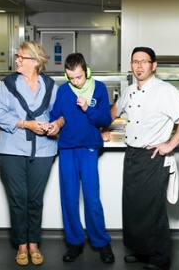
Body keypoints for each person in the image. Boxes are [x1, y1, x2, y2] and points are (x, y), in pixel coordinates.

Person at [104, 47, 179, 270]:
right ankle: (143, 250)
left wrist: (170, 144)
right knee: (134, 207)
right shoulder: (129, 91)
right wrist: (100, 128)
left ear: (153, 65)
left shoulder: (165, 90)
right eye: (135, 61)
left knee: (153, 208)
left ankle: (160, 257)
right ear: (131, 65)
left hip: (152, 156)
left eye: (144, 61)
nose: (139, 66)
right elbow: (114, 111)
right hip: (132, 154)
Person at [0, 41, 58, 266]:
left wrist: (56, 124)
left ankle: (34, 244)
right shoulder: (8, 84)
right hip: (12, 149)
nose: (17, 60)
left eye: (21, 57)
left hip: (43, 150)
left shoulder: (50, 85)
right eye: (17, 56)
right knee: (18, 199)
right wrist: (24, 123)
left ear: (36, 62)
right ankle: (21, 245)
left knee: (34, 199)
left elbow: (59, 113)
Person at [46, 53, 115, 264]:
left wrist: (87, 108)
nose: (75, 82)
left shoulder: (99, 89)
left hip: (89, 148)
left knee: (92, 199)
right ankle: (75, 242)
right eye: (71, 77)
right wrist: (55, 124)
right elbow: (56, 116)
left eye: (78, 77)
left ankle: (101, 243)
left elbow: (105, 118)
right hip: (67, 148)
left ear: (86, 71)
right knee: (69, 198)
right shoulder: (63, 90)